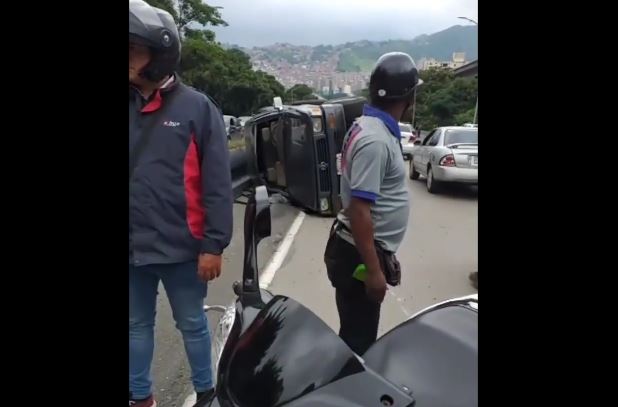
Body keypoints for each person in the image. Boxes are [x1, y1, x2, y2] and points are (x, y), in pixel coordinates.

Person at [129, 1, 233, 406]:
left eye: (132, 50)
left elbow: (217, 183)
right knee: (136, 325)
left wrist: (213, 244)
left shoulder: (196, 108)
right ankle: (140, 396)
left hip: (183, 247)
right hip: (133, 246)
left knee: (191, 323)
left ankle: (206, 392)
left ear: (160, 53)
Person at [324, 52, 422, 355]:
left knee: (356, 332)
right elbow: (359, 209)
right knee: (359, 341)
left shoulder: (369, 126)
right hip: (359, 256)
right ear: (409, 95)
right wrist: (374, 270)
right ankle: (348, 395)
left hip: (356, 250)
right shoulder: (375, 140)